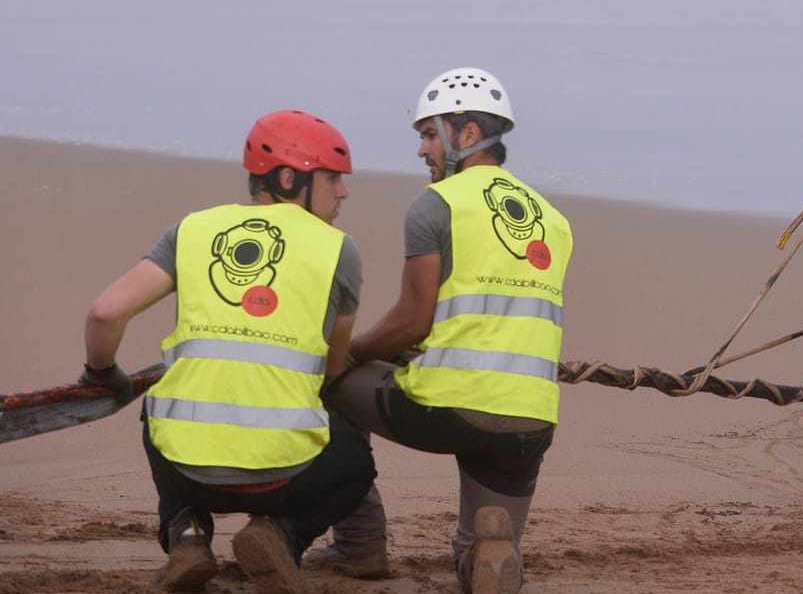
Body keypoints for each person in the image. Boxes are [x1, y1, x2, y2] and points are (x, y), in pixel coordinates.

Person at [80, 109, 375, 594]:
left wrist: (101, 374)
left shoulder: (192, 230)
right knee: (356, 465)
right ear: (288, 177)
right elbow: (332, 370)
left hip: (188, 469)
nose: (343, 191)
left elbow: (105, 314)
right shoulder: (340, 251)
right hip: (285, 475)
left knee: (159, 402)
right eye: (332, 177)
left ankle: (189, 536)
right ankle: (279, 534)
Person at [315, 67, 569, 594]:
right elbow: (493, 311)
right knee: (474, 548)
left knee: (327, 382)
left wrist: (350, 353)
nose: (422, 150)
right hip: (529, 418)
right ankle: (486, 555)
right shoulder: (553, 219)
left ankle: (359, 542)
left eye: (429, 134)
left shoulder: (438, 203)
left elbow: (413, 318)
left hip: (451, 405)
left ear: (467, 134)